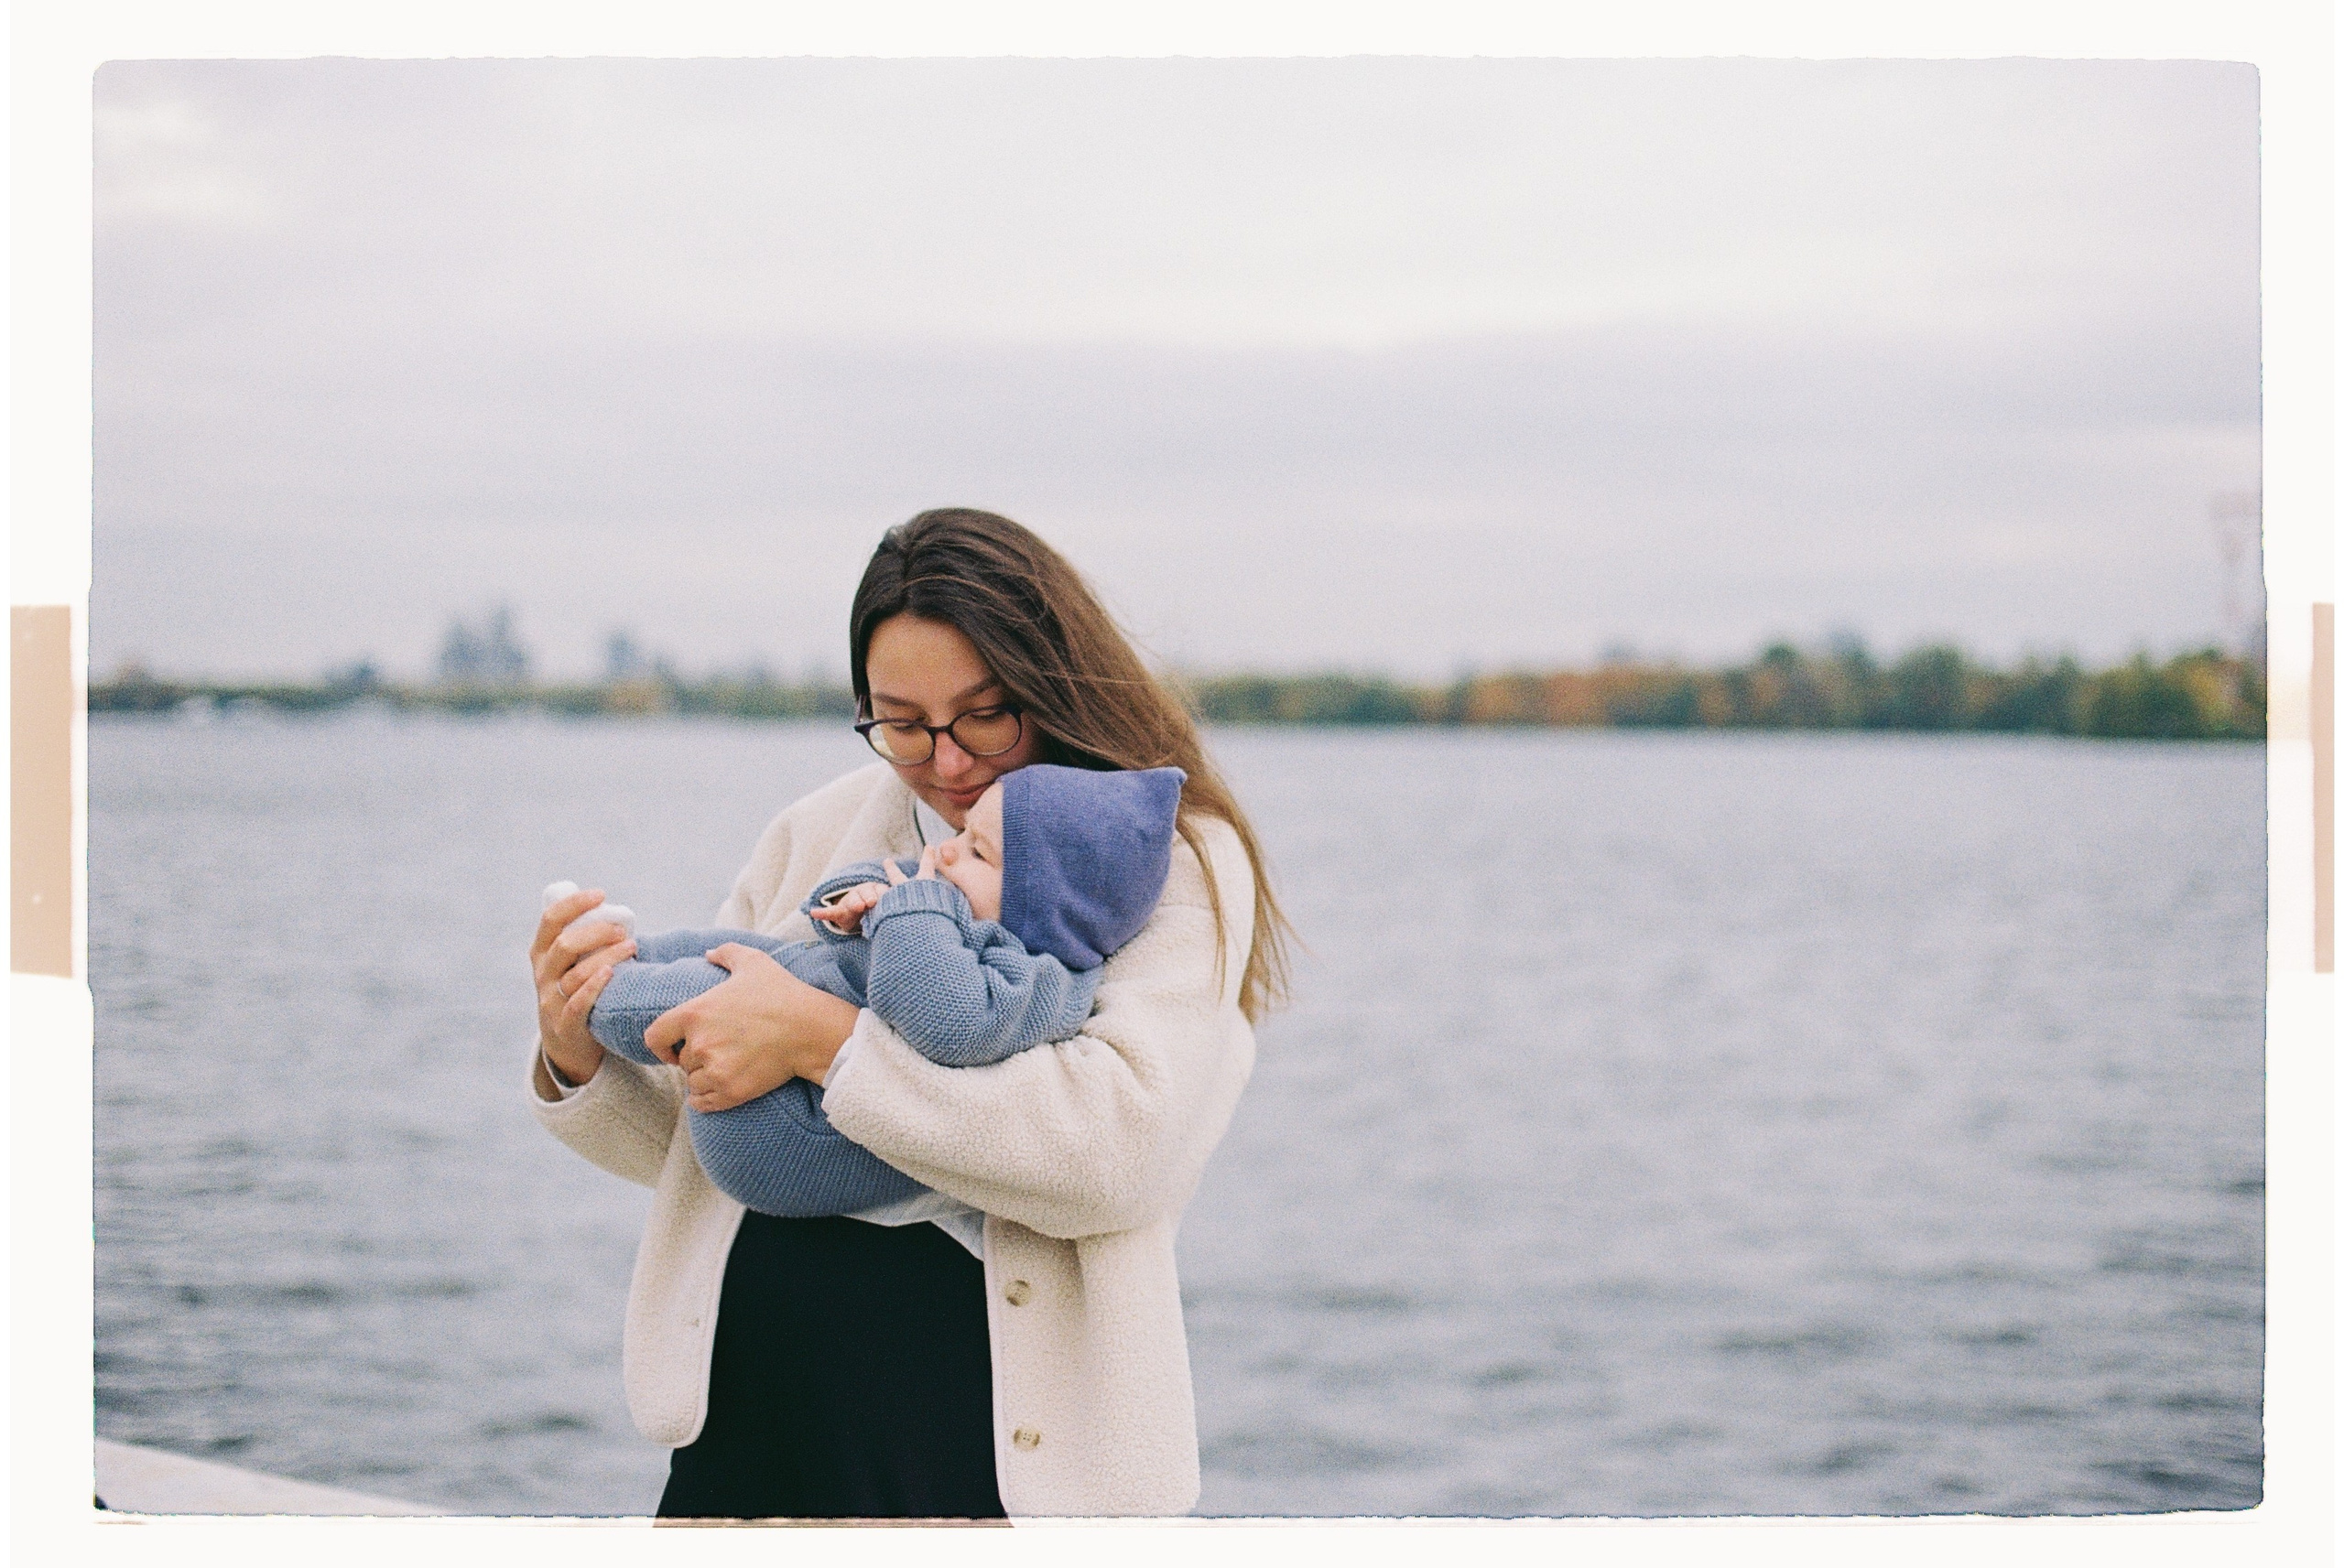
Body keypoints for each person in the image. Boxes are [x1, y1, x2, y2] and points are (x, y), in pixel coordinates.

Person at [526, 507, 1293, 1520]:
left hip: (987, 1453)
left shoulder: (1163, 863)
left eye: (985, 713)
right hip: (751, 1422)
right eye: (901, 721)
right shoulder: (817, 831)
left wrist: (823, 1041)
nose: (947, 760)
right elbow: (698, 1138)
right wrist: (575, 1047)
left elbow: (1118, 1153)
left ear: (1052, 684)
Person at [553, 764, 1186, 1233]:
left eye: (975, 850)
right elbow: (832, 919)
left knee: (716, 991)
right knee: (721, 947)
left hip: (785, 1129)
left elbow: (944, 1019)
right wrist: (865, 904)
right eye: (897, 719)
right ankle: (614, 959)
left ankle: (607, 992)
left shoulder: (1037, 980)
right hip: (766, 1107)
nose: (943, 850)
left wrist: (911, 909)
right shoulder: (951, 903)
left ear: (1043, 899)